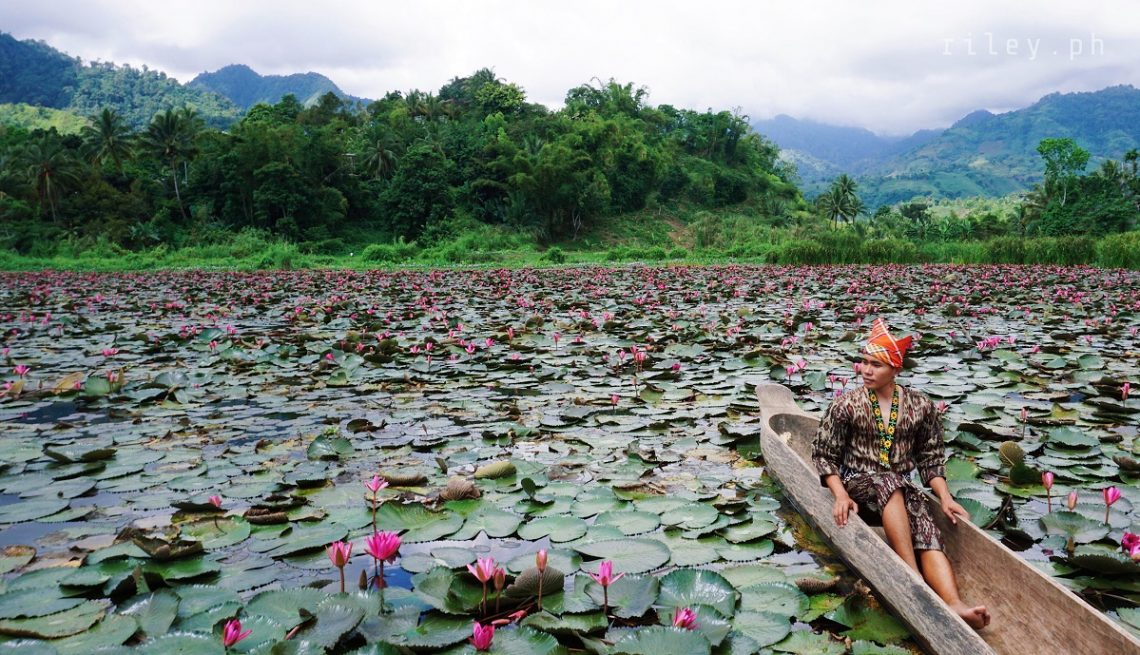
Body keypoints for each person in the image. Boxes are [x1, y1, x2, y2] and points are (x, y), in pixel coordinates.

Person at [812, 318, 991, 630]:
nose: (866, 370)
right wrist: (840, 495)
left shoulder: (920, 406)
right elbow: (824, 455)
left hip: (900, 491)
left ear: (895, 369)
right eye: (864, 362)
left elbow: (930, 458)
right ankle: (913, 577)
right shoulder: (846, 406)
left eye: (876, 365)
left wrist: (945, 498)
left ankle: (954, 602)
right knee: (892, 482)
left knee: (922, 515)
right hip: (858, 484)